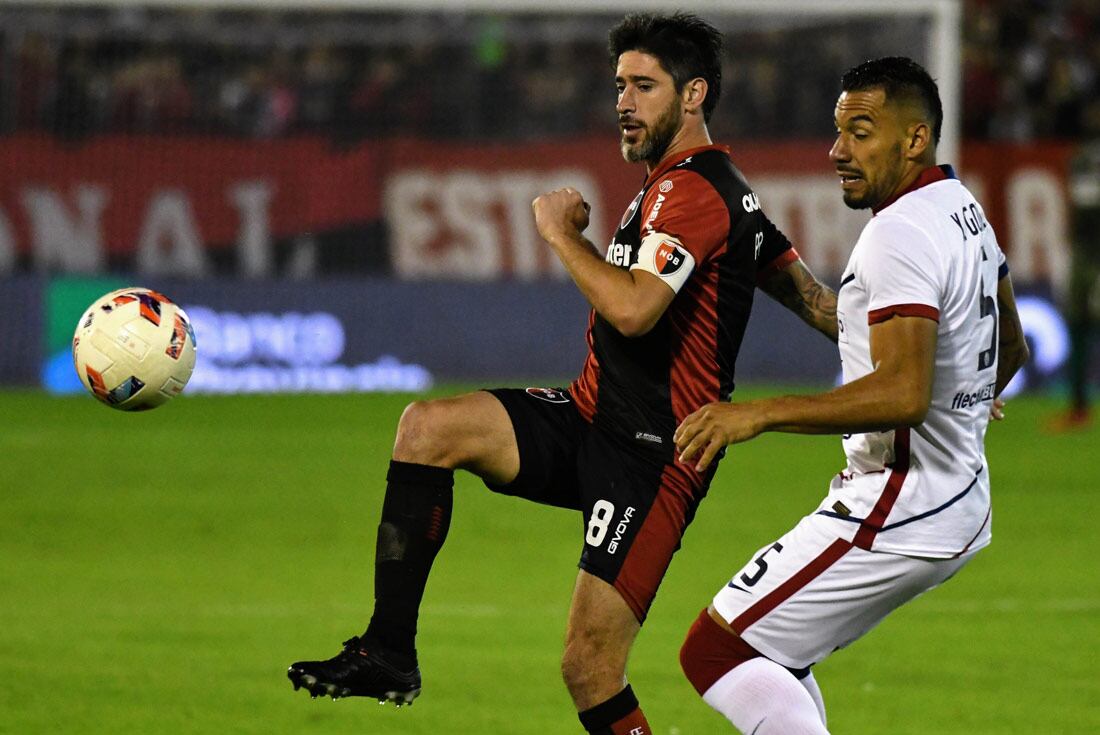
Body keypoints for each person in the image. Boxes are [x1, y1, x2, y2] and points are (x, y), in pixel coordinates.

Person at [287, 13, 837, 734]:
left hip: (651, 458)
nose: (624, 102)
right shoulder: (705, 190)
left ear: (695, 94)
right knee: (428, 429)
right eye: (619, 86)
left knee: (589, 667)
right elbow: (818, 303)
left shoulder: (695, 190)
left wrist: (558, 235)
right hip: (589, 416)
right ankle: (389, 650)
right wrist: (922, 350)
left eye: (644, 86)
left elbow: (636, 311)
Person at [676, 57, 1030, 734]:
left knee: (716, 651)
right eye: (838, 132)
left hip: (905, 496)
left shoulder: (898, 233)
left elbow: (902, 393)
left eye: (861, 131)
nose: (839, 151)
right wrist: (967, 399)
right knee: (778, 654)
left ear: (915, 139)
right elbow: (1010, 345)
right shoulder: (960, 209)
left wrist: (757, 412)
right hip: (951, 490)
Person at [1049, 137, 1099, 431]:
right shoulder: (1081, 158)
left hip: (1091, 257)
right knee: (1078, 327)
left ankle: (1079, 407)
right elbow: (1073, 210)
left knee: (1082, 328)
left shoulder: (1081, 159)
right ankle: (1079, 408)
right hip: (1083, 256)